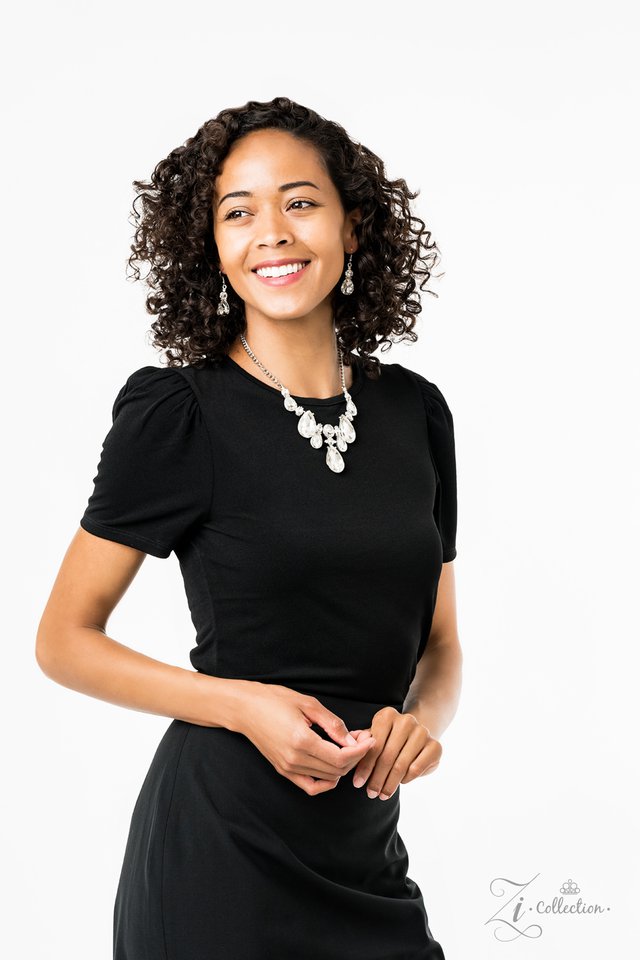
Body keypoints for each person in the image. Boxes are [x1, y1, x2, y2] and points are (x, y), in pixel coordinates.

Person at [35, 96, 462, 960]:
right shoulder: (180, 413)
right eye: (238, 212)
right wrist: (241, 705)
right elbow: (63, 641)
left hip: (364, 855)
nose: (272, 232)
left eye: (300, 201)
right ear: (212, 246)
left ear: (353, 226)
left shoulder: (414, 413)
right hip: (219, 858)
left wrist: (423, 722)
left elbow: (441, 643)